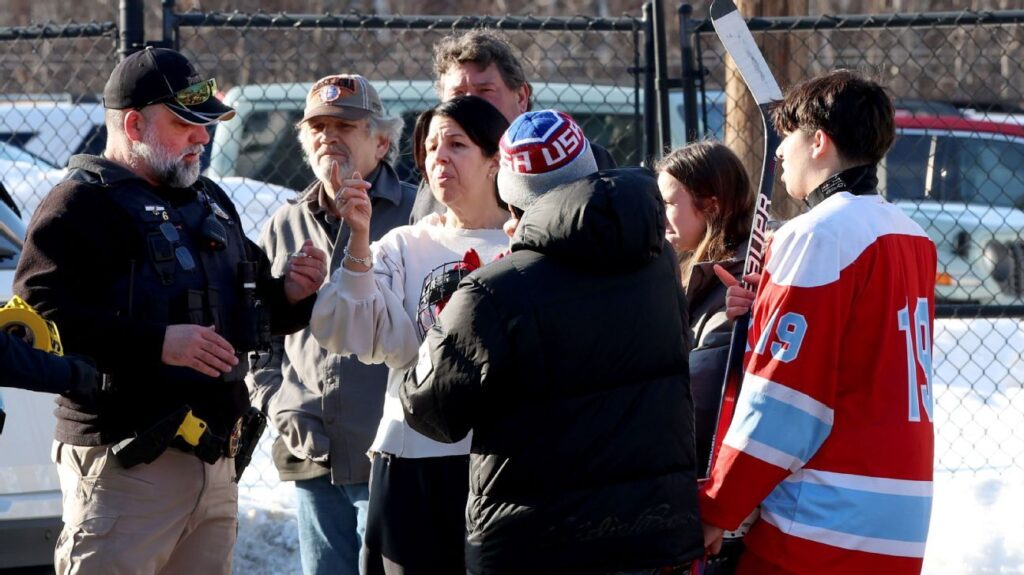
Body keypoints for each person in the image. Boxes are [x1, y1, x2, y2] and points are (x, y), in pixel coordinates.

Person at [13, 47, 326, 575]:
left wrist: (292, 293)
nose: (202, 138)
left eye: (205, 126)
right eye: (185, 124)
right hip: (125, 466)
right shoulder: (78, 206)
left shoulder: (209, 202)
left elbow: (252, 309)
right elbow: (37, 320)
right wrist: (156, 341)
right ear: (134, 124)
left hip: (214, 466)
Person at [400, 110, 704, 574]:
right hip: (648, 530)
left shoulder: (493, 291)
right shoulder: (656, 258)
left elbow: (432, 410)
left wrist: (446, 325)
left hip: (535, 541)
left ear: (511, 195)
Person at [699, 70, 937, 574]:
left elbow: (787, 403)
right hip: (900, 520)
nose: (779, 151)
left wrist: (718, 506)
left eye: (788, 136)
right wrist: (766, 311)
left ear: (819, 142)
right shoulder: (912, 235)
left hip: (820, 523)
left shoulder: (816, 234)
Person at [310, 95, 511, 575]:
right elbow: (345, 328)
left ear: (495, 160)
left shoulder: (525, 244)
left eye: (457, 145)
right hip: (414, 458)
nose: (438, 157)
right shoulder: (406, 243)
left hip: (505, 463)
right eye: (431, 147)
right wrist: (358, 240)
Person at [245, 73, 415, 575]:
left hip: (392, 457)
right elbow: (261, 332)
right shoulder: (285, 222)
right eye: (317, 126)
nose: (327, 136)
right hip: (311, 453)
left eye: (345, 125)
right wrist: (276, 402)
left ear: (382, 141)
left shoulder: (418, 212)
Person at [409, 29, 616, 222]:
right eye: (458, 95)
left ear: (521, 97)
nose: (470, 105)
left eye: (485, 90)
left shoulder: (574, 160)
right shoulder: (437, 180)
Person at [655, 141, 753, 474]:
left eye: (667, 203)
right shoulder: (695, 269)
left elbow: (701, 400)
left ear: (710, 205)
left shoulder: (739, 280)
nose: (659, 214)